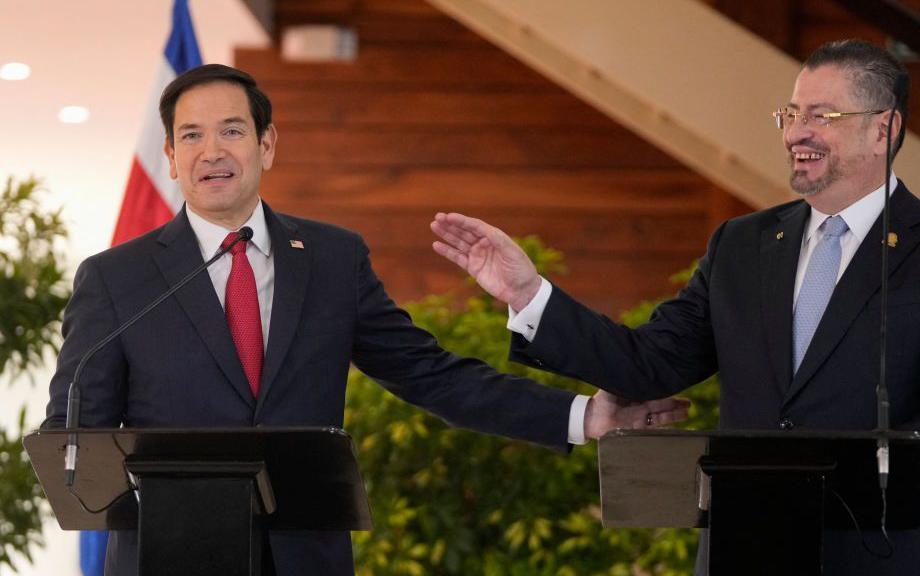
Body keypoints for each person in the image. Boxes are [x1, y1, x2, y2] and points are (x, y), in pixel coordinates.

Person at [42, 64, 688, 576]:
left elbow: (432, 376)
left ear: (267, 144)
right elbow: (75, 435)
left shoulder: (331, 258)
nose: (213, 150)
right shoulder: (117, 278)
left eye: (233, 130)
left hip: (306, 554)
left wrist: (582, 417)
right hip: (170, 556)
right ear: (171, 155)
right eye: (192, 135)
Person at [431, 39, 920, 575]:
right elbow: (648, 363)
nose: (795, 133)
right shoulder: (741, 244)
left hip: (885, 552)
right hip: (744, 551)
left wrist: (881, 472)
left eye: (821, 116)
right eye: (790, 114)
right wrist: (530, 295)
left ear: (884, 130)